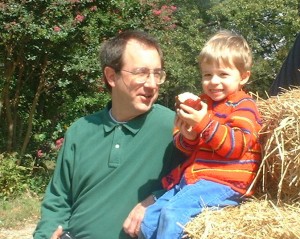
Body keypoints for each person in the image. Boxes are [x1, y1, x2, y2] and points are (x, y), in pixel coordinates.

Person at [33, 30, 183, 239]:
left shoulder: (175, 127)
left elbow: (201, 180)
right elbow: (58, 199)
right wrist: (46, 234)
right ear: (111, 76)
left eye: (157, 74)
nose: (152, 84)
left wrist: (156, 199)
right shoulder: (81, 130)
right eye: (141, 73)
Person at [140, 30, 263, 239]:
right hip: (194, 179)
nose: (214, 81)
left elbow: (236, 146)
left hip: (224, 182)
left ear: (243, 77)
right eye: (207, 75)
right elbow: (184, 146)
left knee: (172, 213)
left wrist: (203, 124)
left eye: (223, 74)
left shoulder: (244, 106)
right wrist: (187, 137)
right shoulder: (201, 104)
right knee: (150, 218)